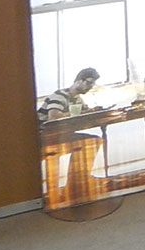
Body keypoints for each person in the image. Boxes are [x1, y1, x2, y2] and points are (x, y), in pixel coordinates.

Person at [38, 69, 102, 205]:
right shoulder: (59, 95)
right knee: (89, 142)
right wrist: (78, 113)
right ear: (79, 80)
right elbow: (53, 117)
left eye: (92, 84)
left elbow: (82, 115)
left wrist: (91, 112)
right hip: (45, 137)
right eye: (89, 83)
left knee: (94, 140)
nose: (90, 87)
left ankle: (77, 182)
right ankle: (75, 183)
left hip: (61, 135)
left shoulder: (78, 99)